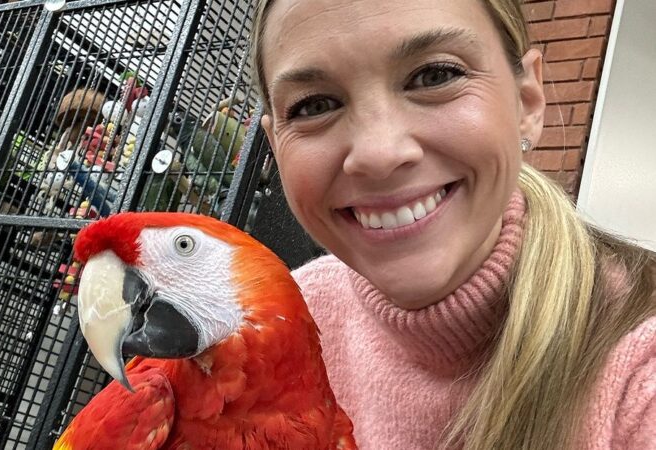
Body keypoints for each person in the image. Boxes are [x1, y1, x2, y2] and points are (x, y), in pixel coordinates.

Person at [249, 0, 656, 448]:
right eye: (314, 106)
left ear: (527, 101)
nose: (379, 155)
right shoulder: (283, 325)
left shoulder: (639, 370)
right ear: (274, 145)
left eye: (435, 75)